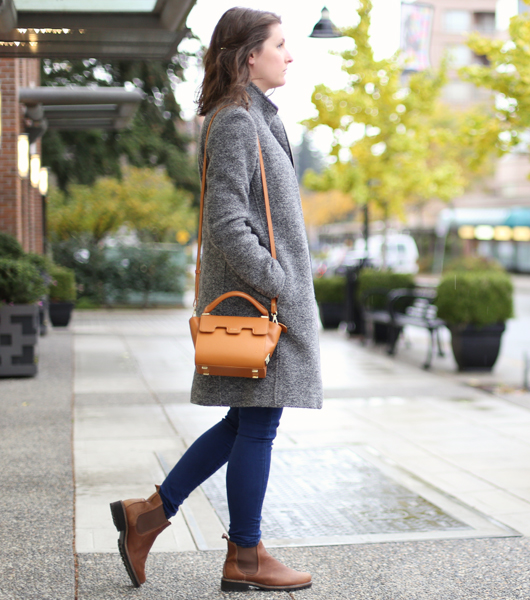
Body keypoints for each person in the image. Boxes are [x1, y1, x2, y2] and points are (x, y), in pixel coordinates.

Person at [108, 7, 323, 592]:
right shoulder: (236, 121)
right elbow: (226, 218)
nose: (290, 54)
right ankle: (244, 556)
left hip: (260, 301)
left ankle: (148, 515)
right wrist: (275, 277)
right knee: (257, 427)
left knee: (245, 422)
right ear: (249, 54)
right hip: (257, 304)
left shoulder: (256, 118)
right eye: (281, 44)